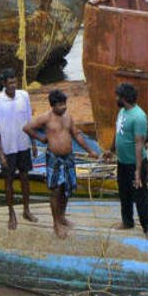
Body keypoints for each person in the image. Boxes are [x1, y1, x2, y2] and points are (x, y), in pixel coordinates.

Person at [23, 90, 100, 238]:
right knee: (56, 190)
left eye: (64, 104)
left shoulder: (67, 117)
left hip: (68, 157)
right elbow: (27, 128)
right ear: (52, 106)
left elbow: (76, 134)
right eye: (60, 105)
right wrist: (41, 138)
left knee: (67, 188)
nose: (63, 107)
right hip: (54, 158)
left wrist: (90, 150)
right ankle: (56, 223)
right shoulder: (45, 118)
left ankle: (62, 217)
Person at [104, 82, 148, 239]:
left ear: (124, 98)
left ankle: (147, 227)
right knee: (124, 192)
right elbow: (118, 132)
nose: (116, 98)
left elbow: (139, 144)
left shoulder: (138, 117)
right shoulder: (122, 112)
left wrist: (138, 171)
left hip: (135, 164)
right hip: (122, 161)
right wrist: (111, 150)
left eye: (117, 96)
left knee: (140, 195)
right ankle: (127, 221)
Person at [0, 68, 38, 230]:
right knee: (8, 181)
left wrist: (33, 144)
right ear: (3, 83)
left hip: (23, 144)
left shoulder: (24, 96)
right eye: (9, 83)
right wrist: (0, 153)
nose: (12, 85)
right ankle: (11, 213)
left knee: (25, 178)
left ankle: (26, 210)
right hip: (8, 148)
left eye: (14, 82)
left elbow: (29, 121)